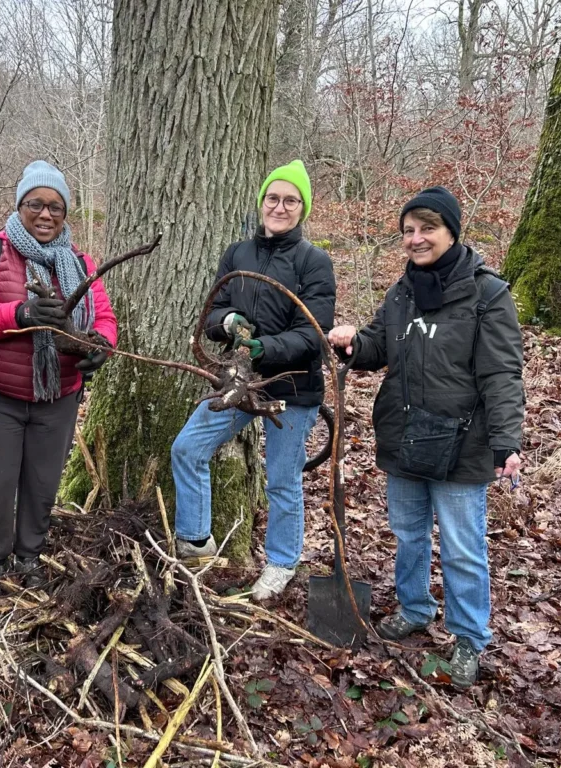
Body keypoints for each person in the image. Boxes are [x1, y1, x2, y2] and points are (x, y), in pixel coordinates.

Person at [328, 186, 524, 689]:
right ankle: (414, 607)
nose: (416, 240)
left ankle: (467, 637)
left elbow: (502, 374)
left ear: (451, 231)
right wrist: (354, 342)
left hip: (463, 441)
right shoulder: (402, 292)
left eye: (427, 229)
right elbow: (377, 344)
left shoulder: (487, 294)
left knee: (461, 546)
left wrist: (507, 442)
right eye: (408, 231)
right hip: (406, 435)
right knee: (409, 533)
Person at [171, 160, 336, 602]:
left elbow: (313, 334)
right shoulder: (238, 254)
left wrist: (265, 348)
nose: (279, 207)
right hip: (238, 382)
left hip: (292, 390)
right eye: (273, 198)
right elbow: (212, 316)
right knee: (187, 447)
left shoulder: (313, 261)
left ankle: (281, 563)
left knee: (282, 479)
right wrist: (228, 321)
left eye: (290, 200)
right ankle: (195, 543)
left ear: (302, 208)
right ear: (261, 202)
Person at [0, 161, 117, 598]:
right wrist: (20, 314)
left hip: (58, 396)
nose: (45, 215)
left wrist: (100, 347)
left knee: (42, 483)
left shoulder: (81, 263)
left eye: (55, 207)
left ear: (65, 214)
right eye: (36, 205)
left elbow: (103, 317)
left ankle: (30, 558)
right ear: (19, 206)